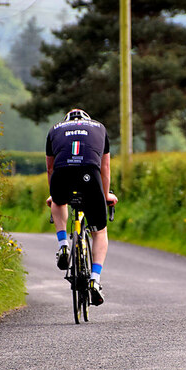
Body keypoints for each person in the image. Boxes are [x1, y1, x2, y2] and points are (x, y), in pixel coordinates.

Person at [45, 108, 118, 306]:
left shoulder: (54, 129)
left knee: (58, 201)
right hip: (89, 175)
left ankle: (63, 246)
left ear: (66, 121)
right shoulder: (100, 128)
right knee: (100, 231)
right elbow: (104, 168)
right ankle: (95, 278)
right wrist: (105, 195)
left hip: (62, 174)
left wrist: (54, 194)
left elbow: (51, 168)